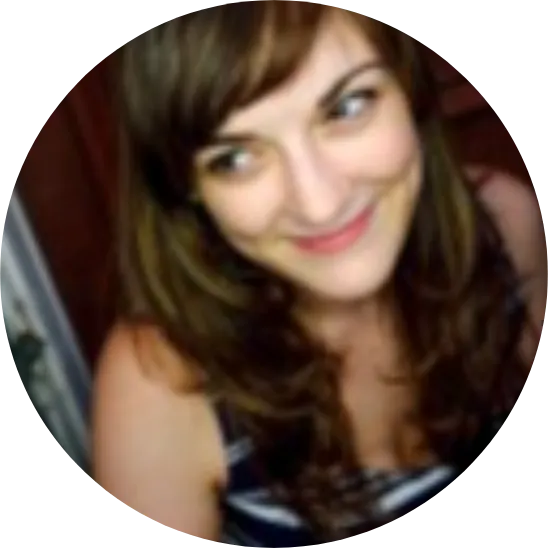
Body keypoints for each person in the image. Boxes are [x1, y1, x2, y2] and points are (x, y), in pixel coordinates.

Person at [91, 1, 547, 545]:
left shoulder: (504, 229)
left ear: (408, 86)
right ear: (187, 185)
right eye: (236, 158)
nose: (319, 204)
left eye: (347, 107)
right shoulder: (160, 382)